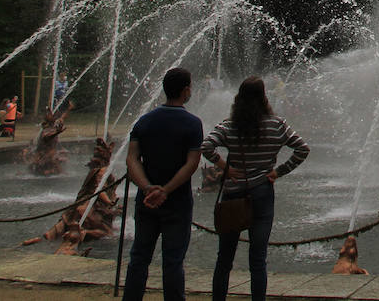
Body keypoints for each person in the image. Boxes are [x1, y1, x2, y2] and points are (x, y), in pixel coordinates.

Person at [201, 75, 309, 301]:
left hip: (233, 194)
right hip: (262, 192)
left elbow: (206, 146)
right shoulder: (277, 124)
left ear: (239, 98)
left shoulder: (229, 126)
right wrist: (279, 171)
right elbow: (302, 149)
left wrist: (225, 167)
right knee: (258, 258)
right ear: (264, 98)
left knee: (224, 258)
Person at [122, 67, 203, 301]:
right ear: (186, 90)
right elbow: (191, 164)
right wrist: (165, 190)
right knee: (174, 260)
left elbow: (132, 159)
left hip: (146, 201)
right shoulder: (192, 124)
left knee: (139, 257)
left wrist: (147, 187)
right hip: (177, 202)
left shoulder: (144, 121)